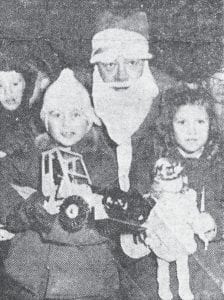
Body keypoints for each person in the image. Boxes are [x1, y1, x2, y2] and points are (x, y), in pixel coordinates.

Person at [1, 68, 121, 300]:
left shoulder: (103, 163)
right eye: (56, 115)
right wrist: (24, 211)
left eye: (75, 114)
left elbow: (108, 224)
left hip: (86, 276)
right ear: (45, 121)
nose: (66, 123)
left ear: (89, 120)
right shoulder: (34, 155)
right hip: (31, 276)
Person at [155, 86, 224, 299]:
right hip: (171, 258)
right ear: (169, 126)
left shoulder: (219, 164)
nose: (191, 131)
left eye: (200, 122)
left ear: (211, 124)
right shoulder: (162, 167)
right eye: (182, 122)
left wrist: (215, 223)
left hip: (211, 260)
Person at [90, 9, 159, 194]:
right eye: (110, 65)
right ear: (96, 66)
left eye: (132, 63)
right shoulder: (78, 102)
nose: (121, 76)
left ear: (145, 64)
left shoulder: (166, 105)